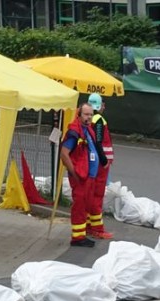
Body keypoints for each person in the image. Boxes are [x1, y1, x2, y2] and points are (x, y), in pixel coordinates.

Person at [59, 103, 100, 248]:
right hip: (81, 176)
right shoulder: (74, 132)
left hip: (89, 176)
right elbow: (64, 154)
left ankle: (81, 234)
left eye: (90, 114)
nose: (89, 117)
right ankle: (77, 238)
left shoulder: (87, 130)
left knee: (85, 205)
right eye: (86, 114)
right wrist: (74, 173)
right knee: (79, 206)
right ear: (79, 115)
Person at [87, 93, 114, 240]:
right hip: (100, 164)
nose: (104, 107)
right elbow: (98, 142)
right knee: (97, 195)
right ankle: (97, 228)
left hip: (94, 162)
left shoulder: (89, 119)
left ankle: (90, 225)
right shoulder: (98, 120)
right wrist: (104, 160)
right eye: (103, 104)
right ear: (99, 105)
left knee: (91, 193)